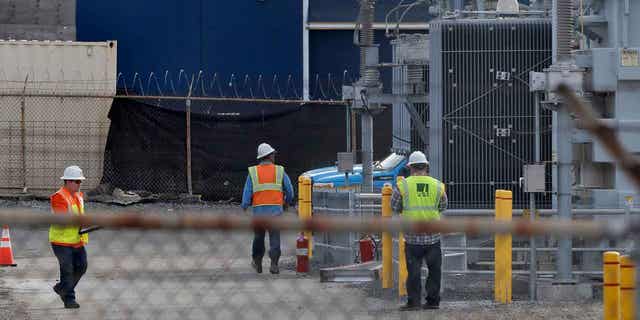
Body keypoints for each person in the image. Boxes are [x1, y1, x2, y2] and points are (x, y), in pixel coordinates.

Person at [391, 151, 448, 311]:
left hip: (412, 238)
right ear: (426, 166)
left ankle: (414, 302)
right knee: (434, 271)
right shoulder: (437, 185)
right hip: (433, 237)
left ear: (410, 167)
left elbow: (394, 206)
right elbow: (443, 206)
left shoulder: (403, 185)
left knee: (414, 272)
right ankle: (433, 301)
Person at [241, 143, 295, 274]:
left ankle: (257, 262)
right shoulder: (280, 170)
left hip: (259, 213)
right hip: (276, 211)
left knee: (258, 237)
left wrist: (245, 206)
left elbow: (247, 193)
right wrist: (286, 203)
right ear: (269, 156)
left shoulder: (253, 172)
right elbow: (290, 191)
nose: (274, 156)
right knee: (275, 238)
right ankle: (274, 264)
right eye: (273, 154)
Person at [50, 165, 89, 309]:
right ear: (68, 181)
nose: (80, 184)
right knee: (67, 269)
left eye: (80, 181)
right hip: (61, 241)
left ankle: (62, 288)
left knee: (82, 267)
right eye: (77, 181)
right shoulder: (59, 197)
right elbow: (63, 220)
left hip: (77, 240)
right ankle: (69, 299)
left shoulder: (78, 195)